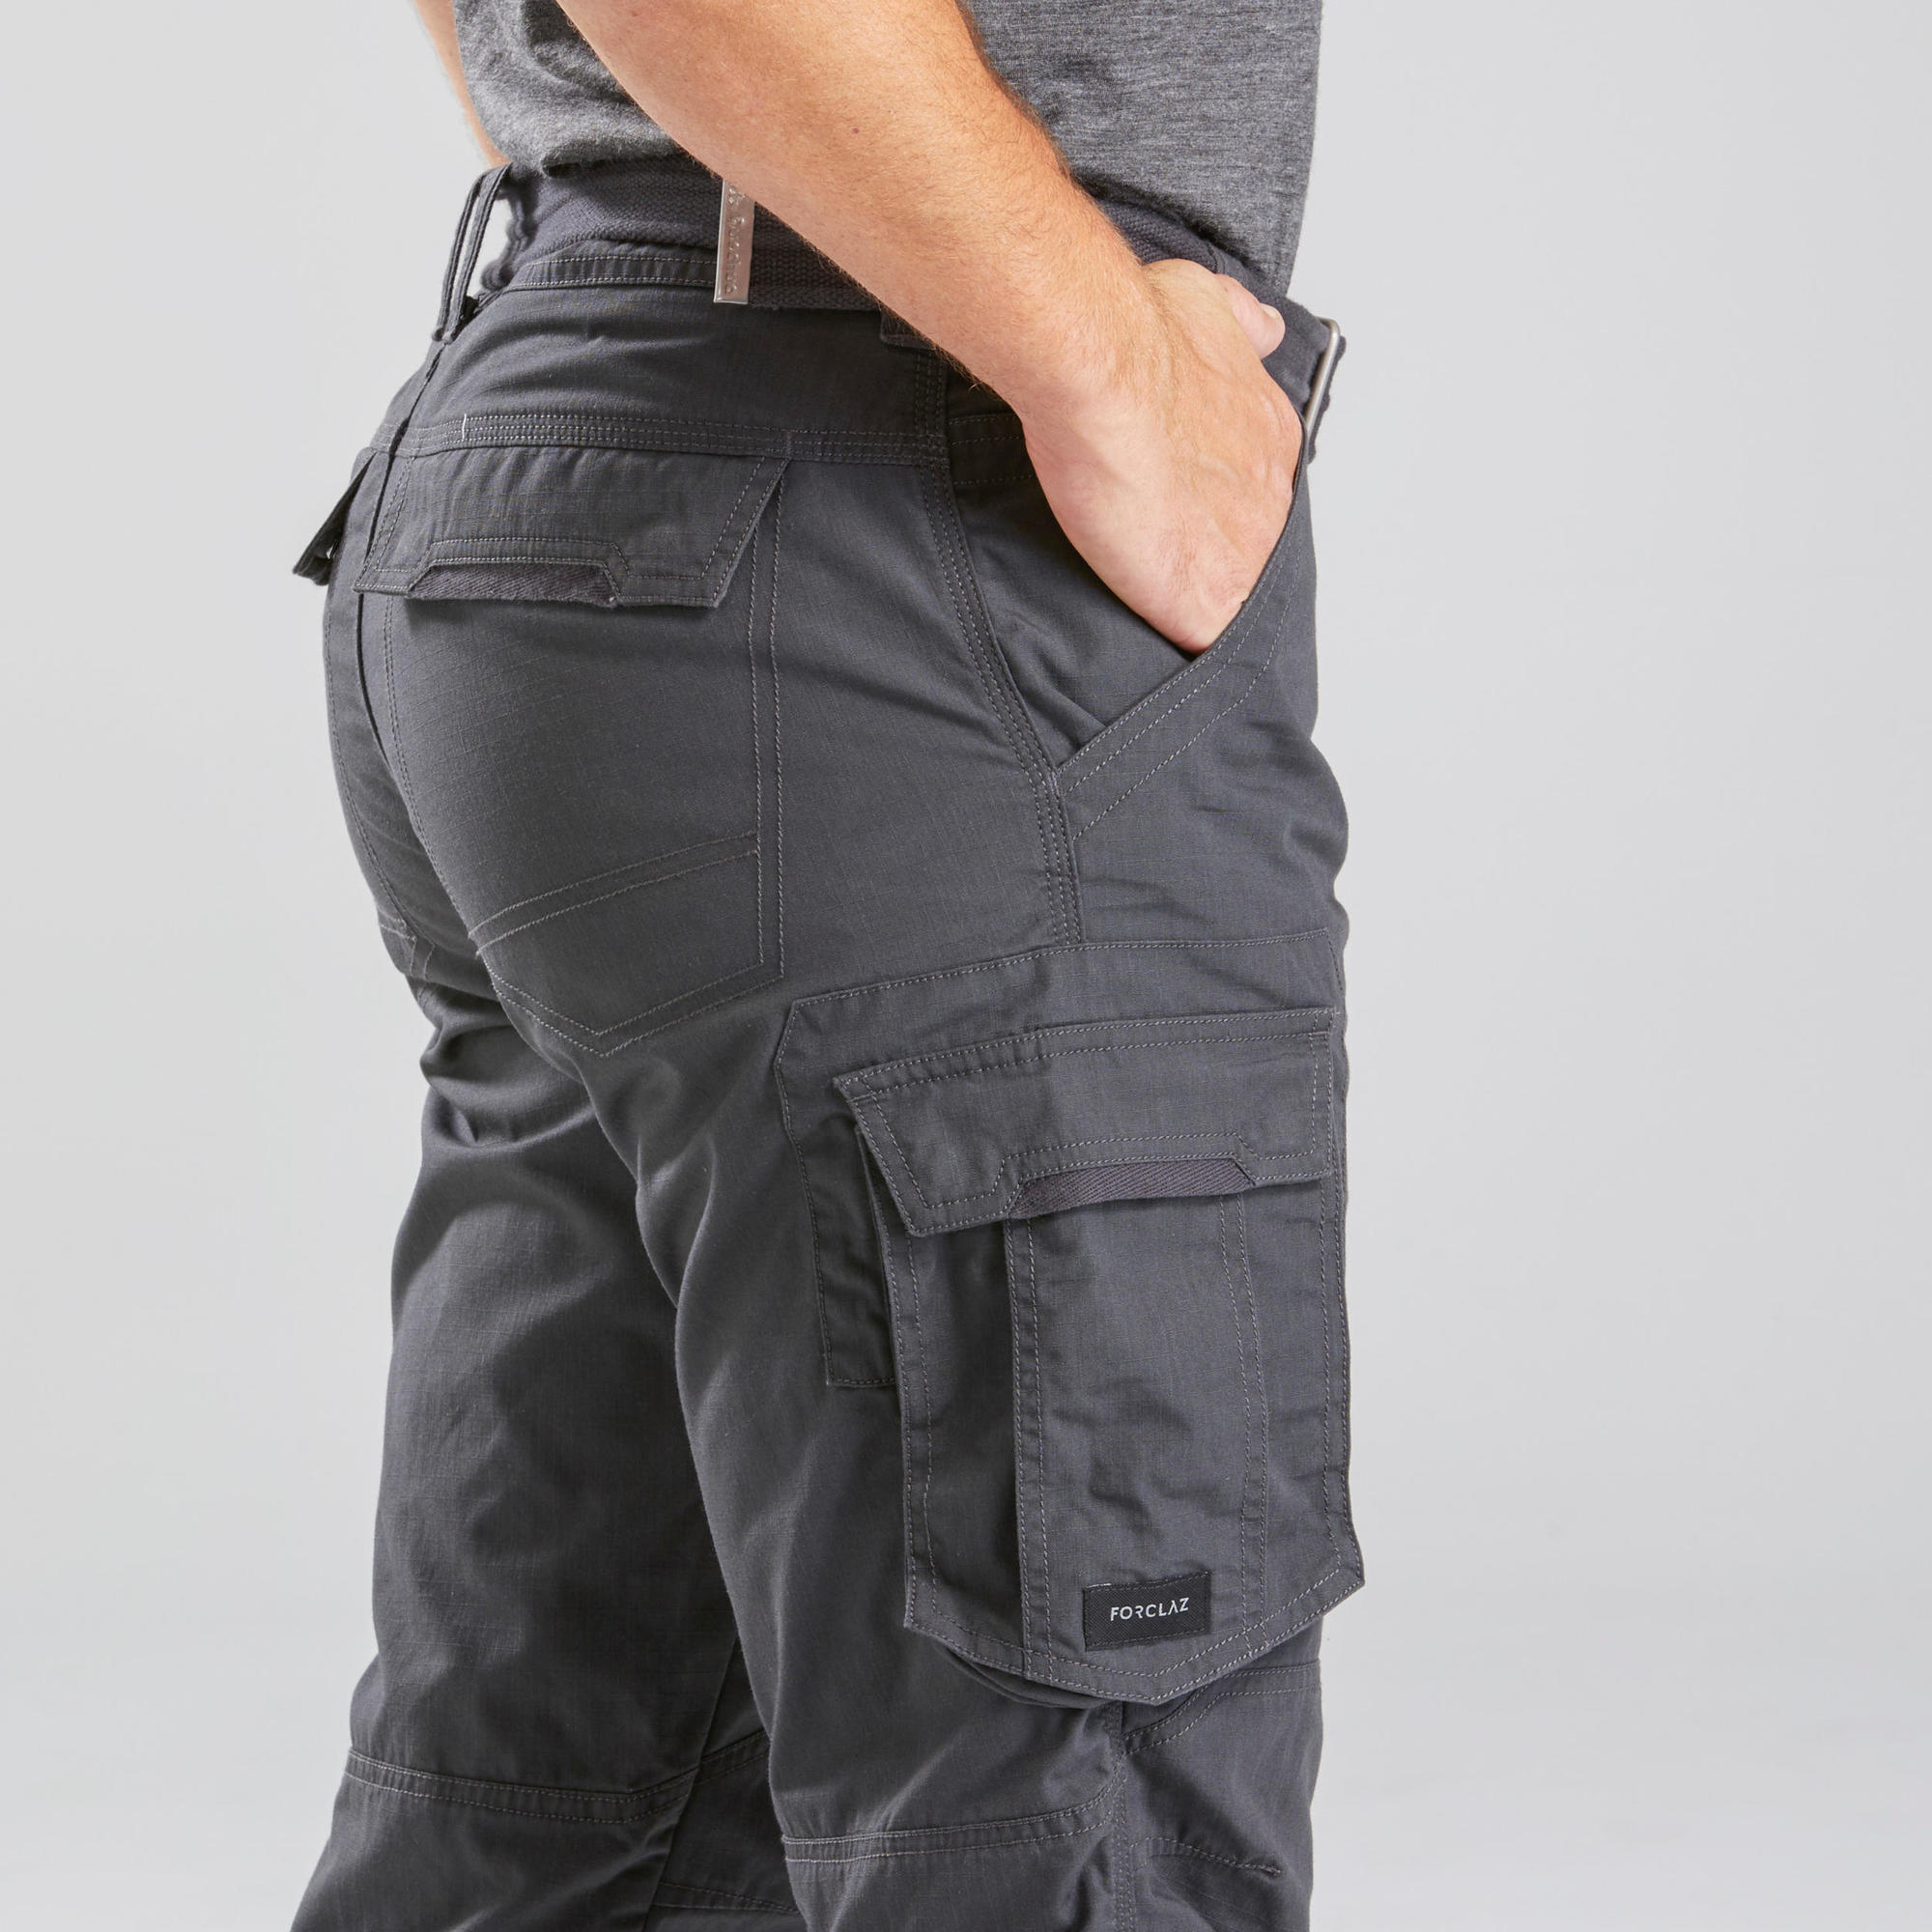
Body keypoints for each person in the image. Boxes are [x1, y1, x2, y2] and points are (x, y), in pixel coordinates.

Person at [291, 2, 1358, 1926]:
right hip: (897, 481)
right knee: (1066, 1809)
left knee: (577, 1786)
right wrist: (1111, 369)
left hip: (612, 424)